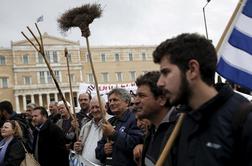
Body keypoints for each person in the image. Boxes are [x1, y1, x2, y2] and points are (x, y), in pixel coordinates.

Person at [153, 33, 252, 166]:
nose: (159, 83)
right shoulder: (178, 125)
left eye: (166, 72)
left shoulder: (244, 119)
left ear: (192, 69)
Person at [133, 71, 176, 166]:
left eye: (142, 96)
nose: (135, 101)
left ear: (162, 99)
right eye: (136, 96)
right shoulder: (152, 130)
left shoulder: (180, 130)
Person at [95, 88, 144, 166]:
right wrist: (104, 150)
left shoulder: (135, 119)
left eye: (115, 100)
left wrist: (114, 134)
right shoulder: (110, 122)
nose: (111, 103)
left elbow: (135, 146)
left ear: (127, 102)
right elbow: (98, 152)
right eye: (110, 101)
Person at [73, 96, 108, 165]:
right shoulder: (86, 127)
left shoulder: (112, 123)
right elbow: (80, 148)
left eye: (97, 107)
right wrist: (78, 148)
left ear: (106, 107)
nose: (95, 110)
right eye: (92, 108)